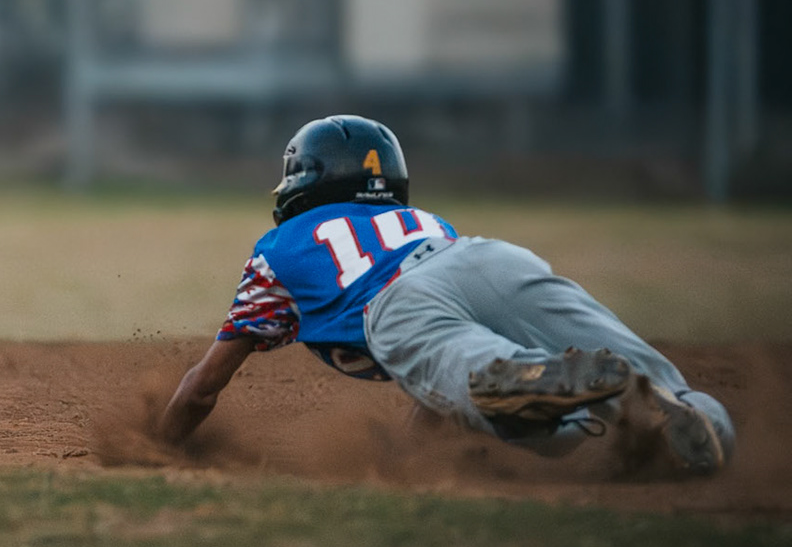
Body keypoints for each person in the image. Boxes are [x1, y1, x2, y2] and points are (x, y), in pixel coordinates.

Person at [156, 115, 733, 477]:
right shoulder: (423, 220)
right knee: (645, 385)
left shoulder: (279, 249)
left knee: (485, 383)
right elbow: (432, 382)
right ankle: (689, 421)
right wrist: (408, 457)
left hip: (395, 299)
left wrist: (153, 447)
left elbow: (201, 389)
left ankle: (552, 382)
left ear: (306, 180)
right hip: (489, 256)